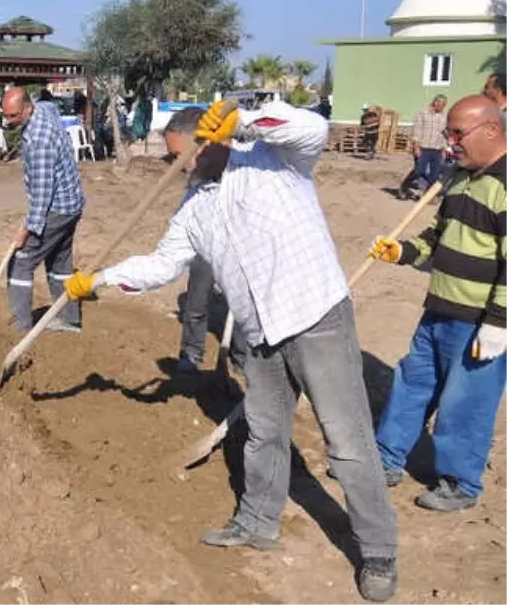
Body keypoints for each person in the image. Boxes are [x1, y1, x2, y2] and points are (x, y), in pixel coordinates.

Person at [63, 100, 399, 603]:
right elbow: (161, 265)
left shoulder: (274, 160)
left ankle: (378, 553)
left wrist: (243, 121)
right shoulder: (193, 207)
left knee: (346, 440)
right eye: (173, 158)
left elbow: (314, 128)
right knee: (263, 433)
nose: (180, 167)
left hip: (315, 317)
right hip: (260, 332)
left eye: (185, 155)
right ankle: (258, 522)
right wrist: (102, 279)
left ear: (213, 139)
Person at [370, 94, 507, 514]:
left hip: (479, 322)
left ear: (491, 130)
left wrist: (499, 322)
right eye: (448, 133)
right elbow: (436, 238)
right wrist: (403, 252)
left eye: (457, 133)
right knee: (411, 384)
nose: (450, 143)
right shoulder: (459, 179)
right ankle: (387, 458)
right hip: (438, 310)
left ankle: (459, 482)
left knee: (465, 402)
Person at [159, 107, 251, 374]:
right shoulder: (199, 181)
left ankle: (242, 359)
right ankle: (191, 353)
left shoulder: (246, 167)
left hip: (241, 249)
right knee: (196, 301)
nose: (179, 166)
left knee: (244, 309)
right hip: (205, 244)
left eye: (179, 156)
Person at [0, 87, 84, 333]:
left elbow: (42, 194)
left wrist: (27, 230)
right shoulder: (45, 110)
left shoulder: (39, 142)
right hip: (72, 204)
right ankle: (69, 320)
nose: (9, 121)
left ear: (27, 108)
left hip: (57, 209)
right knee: (60, 264)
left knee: (19, 262)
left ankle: (20, 328)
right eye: (6, 115)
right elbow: (49, 104)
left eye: (14, 116)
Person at [399, 94, 448, 199]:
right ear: (435, 102)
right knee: (419, 170)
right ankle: (404, 186)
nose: (443, 107)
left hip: (437, 149)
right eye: (442, 104)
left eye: (445, 105)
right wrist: (416, 147)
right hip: (423, 147)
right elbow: (416, 131)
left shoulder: (444, 116)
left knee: (434, 175)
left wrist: (444, 148)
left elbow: (444, 134)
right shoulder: (422, 113)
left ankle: (428, 196)